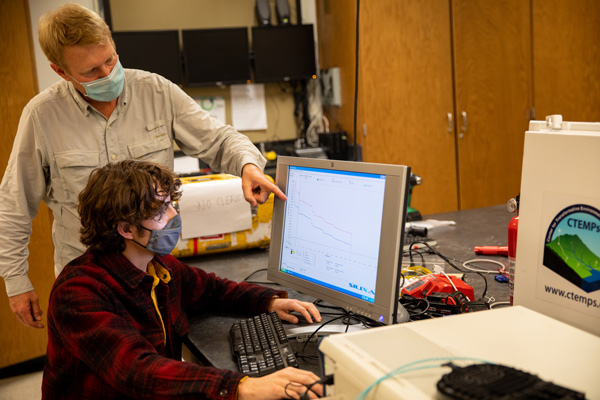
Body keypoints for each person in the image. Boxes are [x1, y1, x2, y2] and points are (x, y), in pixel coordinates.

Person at [0, 3, 285, 330]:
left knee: (164, 355)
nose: (107, 75)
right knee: (117, 373)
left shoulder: (157, 91)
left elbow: (219, 139)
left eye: (110, 60)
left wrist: (248, 165)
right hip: (88, 283)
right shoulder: (42, 116)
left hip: (153, 268)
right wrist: (16, 281)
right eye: (91, 72)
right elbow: (13, 203)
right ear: (61, 71)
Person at [42, 160, 322, 400]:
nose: (175, 216)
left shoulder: (157, 265)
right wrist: (241, 387)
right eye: (161, 211)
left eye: (171, 204)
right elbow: (138, 370)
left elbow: (212, 289)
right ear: (125, 228)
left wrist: (269, 301)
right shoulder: (79, 292)